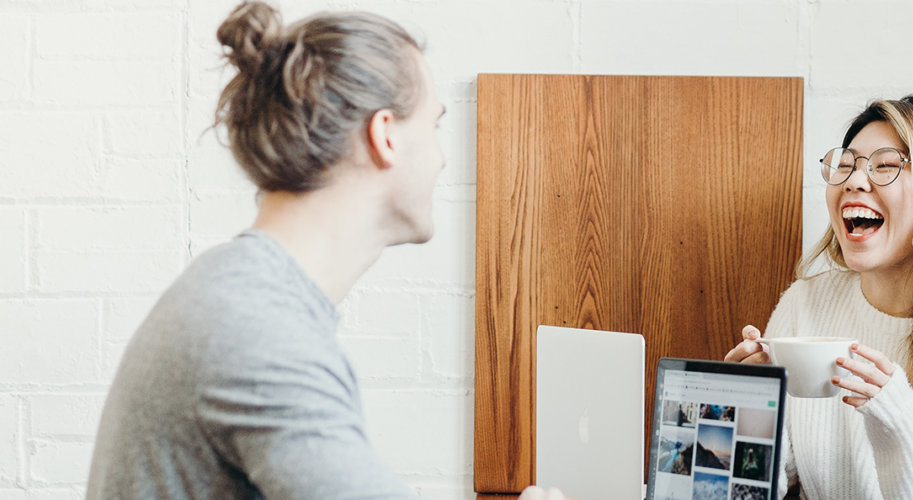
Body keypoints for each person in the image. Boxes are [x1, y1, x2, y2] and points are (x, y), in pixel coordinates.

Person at [85, 2, 563, 499]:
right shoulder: (256, 329)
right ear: (385, 136)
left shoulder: (246, 295)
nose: (442, 159)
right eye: (434, 126)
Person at [725, 95, 913, 499]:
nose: (854, 180)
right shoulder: (806, 302)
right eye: (845, 165)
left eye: (886, 165)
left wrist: (897, 417)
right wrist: (749, 405)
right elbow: (768, 479)